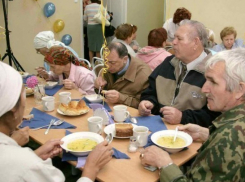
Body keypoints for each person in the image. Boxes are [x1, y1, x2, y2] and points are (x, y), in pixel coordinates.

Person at [140, 48, 245, 182]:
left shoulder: (229, 139)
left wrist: (165, 164)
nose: (204, 89)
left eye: (213, 82)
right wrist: (208, 134)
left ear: (239, 90)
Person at [0, 61, 113, 182]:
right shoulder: (25, 165)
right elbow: (21, 167)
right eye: (23, 94)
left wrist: (35, 155)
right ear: (13, 108)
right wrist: (91, 169)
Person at [139, 20, 220, 127]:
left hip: (190, 137)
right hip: (158, 128)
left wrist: (182, 117)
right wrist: (148, 102)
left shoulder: (214, 72)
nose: (173, 42)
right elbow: (150, 91)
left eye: (179, 39)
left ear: (196, 42)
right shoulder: (168, 63)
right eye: (174, 38)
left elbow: (215, 116)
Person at [94, 42, 152, 108]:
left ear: (125, 59)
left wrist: (121, 98)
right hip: (110, 109)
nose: (107, 66)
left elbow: (145, 105)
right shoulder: (110, 62)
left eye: (112, 63)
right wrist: (98, 86)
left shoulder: (143, 74)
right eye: (105, 61)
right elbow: (102, 94)